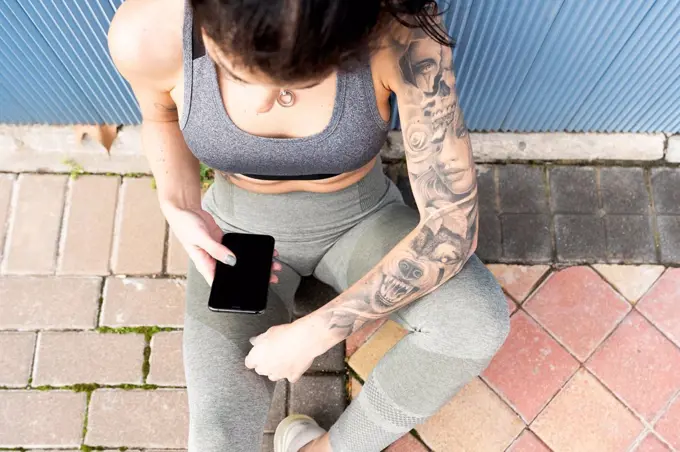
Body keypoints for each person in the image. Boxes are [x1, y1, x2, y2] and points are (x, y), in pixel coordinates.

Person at [109, 0, 509, 450]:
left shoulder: (396, 25)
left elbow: (453, 224)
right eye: (238, 73)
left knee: (474, 323)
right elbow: (159, 115)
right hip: (238, 233)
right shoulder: (146, 30)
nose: (264, 104)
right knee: (216, 438)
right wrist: (177, 203)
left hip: (361, 218)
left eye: (298, 81)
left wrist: (318, 332)